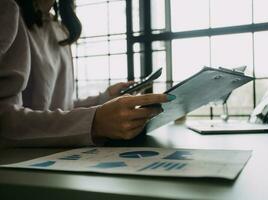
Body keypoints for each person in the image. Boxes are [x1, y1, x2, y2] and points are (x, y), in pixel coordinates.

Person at [0, 0, 175, 147]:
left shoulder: (58, 28)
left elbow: (57, 108)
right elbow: (5, 122)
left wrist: (104, 99)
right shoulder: (7, 11)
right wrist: (95, 122)